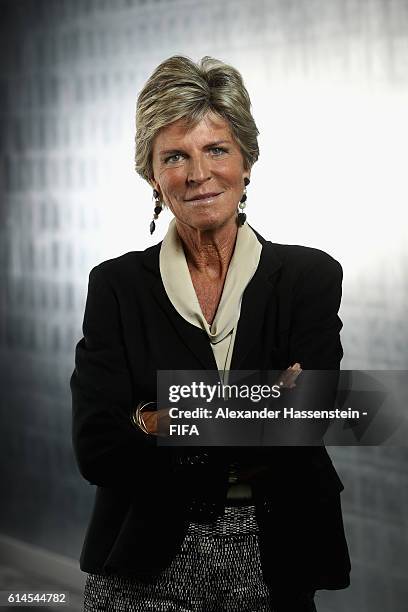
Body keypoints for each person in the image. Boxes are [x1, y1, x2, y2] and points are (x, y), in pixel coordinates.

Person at [71, 55, 351, 612]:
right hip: (141, 559)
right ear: (153, 176)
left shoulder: (311, 276)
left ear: (246, 162)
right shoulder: (117, 286)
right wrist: (262, 400)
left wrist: (157, 416)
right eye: (175, 156)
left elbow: (314, 417)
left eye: (216, 149)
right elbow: (97, 448)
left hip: (276, 556)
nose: (198, 174)